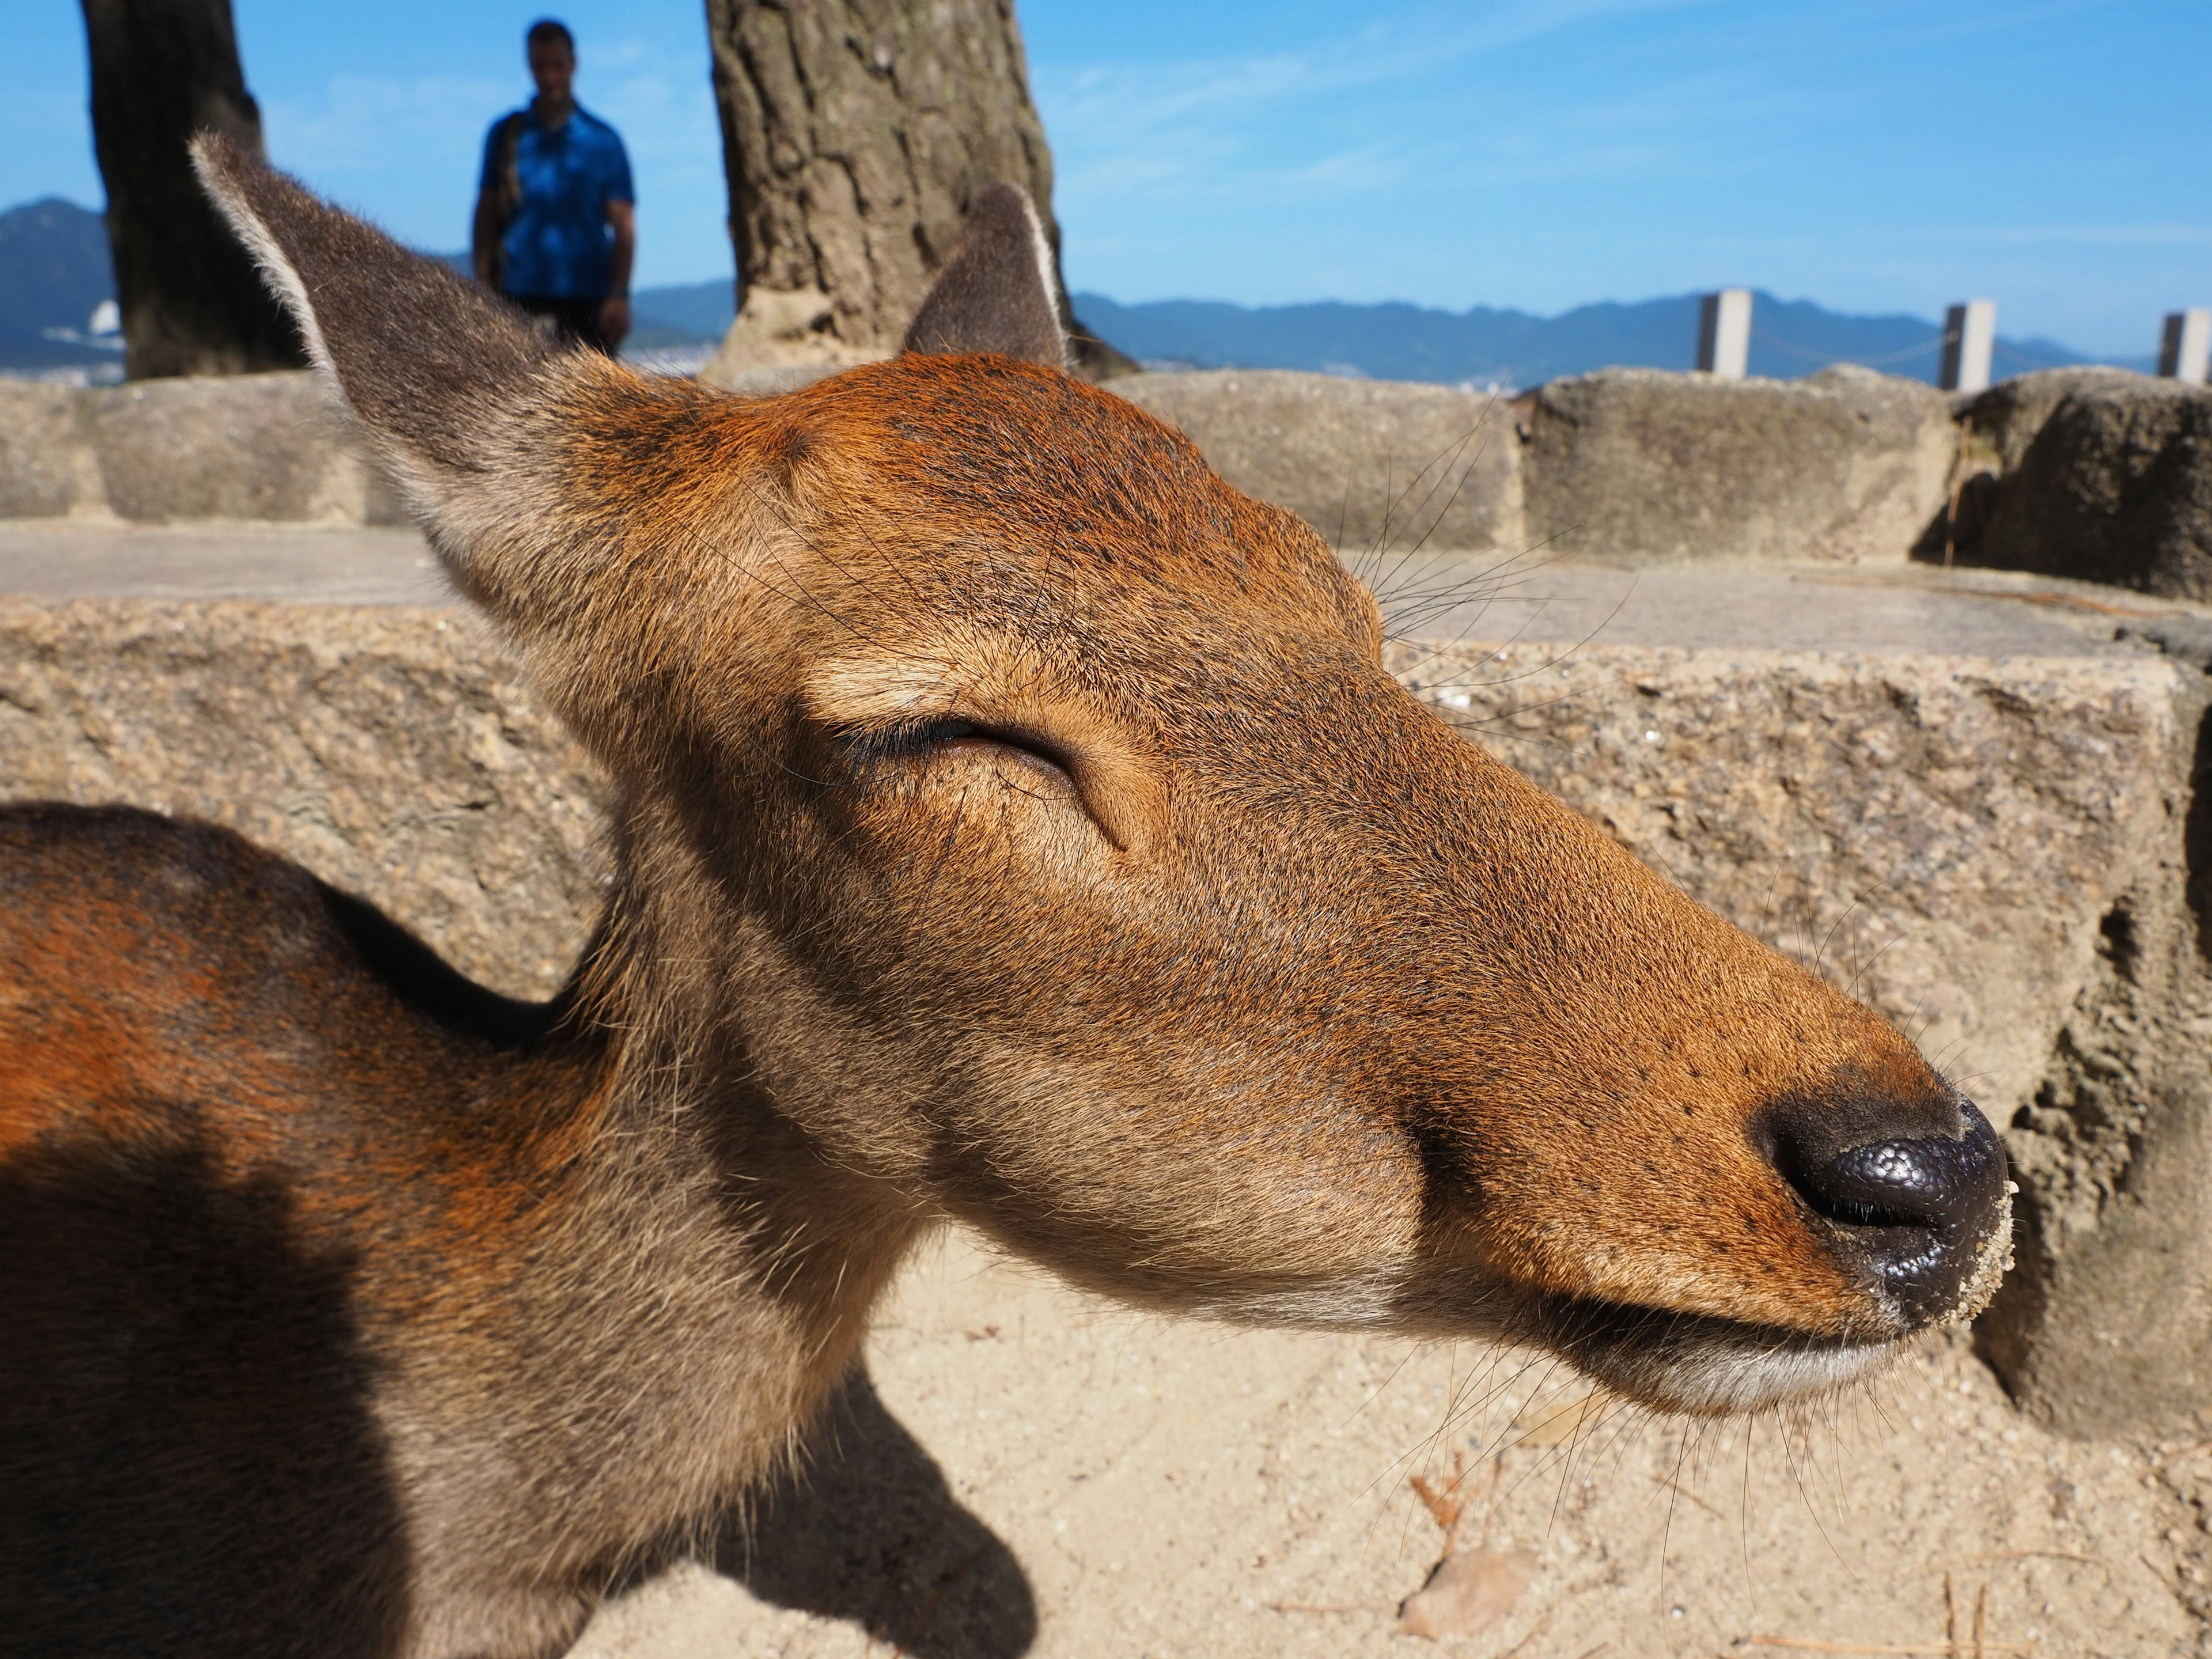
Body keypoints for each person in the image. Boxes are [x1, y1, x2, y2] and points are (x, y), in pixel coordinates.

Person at [471, 18, 634, 354]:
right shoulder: (505, 136)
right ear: (529, 65)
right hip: (517, 299)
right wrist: (482, 287)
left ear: (574, 65)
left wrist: (619, 296)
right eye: (540, 66)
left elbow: (624, 226)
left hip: (590, 300)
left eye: (558, 66)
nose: (549, 77)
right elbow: (486, 211)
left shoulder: (604, 141)